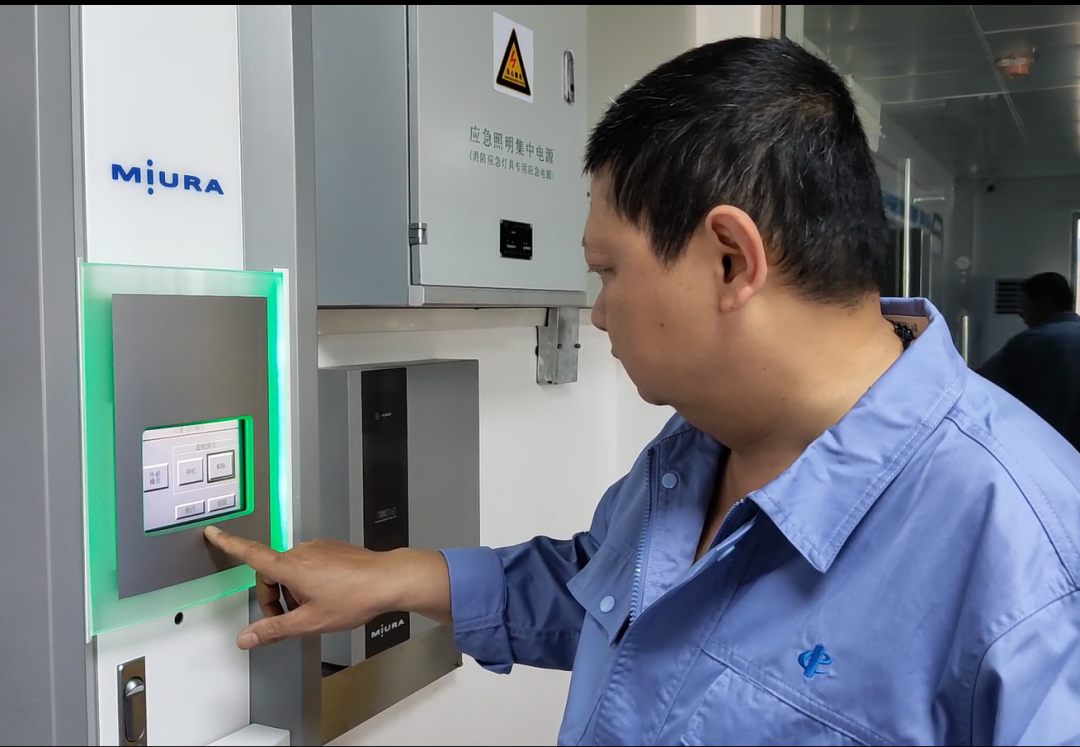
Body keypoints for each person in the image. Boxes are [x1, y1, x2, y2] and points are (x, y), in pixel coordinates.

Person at [206, 37, 1080, 745]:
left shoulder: (1027, 563)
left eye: (608, 271)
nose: (597, 314)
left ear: (730, 260)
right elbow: (614, 597)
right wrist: (397, 575)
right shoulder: (703, 438)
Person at [979, 271, 1080, 451]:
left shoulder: (1033, 341)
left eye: (1025, 305)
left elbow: (981, 386)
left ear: (1046, 303)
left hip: (1048, 452)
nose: (1020, 313)